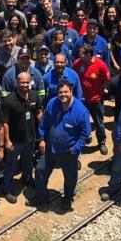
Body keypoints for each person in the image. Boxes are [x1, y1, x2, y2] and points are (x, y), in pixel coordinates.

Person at [29, 81, 91, 211]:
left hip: (69, 152)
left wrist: (76, 148)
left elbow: (85, 134)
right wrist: (42, 140)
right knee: (40, 170)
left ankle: (67, 198)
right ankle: (41, 197)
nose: (63, 95)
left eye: (65, 92)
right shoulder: (52, 103)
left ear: (71, 91)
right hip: (50, 148)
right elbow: (43, 123)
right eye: (60, 92)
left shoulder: (81, 111)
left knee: (70, 177)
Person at [1, 71, 42, 203]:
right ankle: (7, 188)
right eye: (22, 82)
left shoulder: (34, 95)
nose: (25, 85)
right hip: (14, 141)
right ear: (17, 82)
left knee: (27, 161)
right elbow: (5, 123)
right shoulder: (9, 101)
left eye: (27, 82)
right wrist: (7, 141)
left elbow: (38, 112)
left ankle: (27, 178)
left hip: (30, 138)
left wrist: (45, 126)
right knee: (10, 165)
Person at [73, 43, 111, 154]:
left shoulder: (100, 65)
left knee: (99, 123)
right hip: (81, 100)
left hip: (95, 100)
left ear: (89, 54)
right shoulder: (77, 64)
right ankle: (80, 141)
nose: (79, 54)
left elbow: (107, 79)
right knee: (79, 122)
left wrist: (104, 90)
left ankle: (102, 142)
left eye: (82, 52)